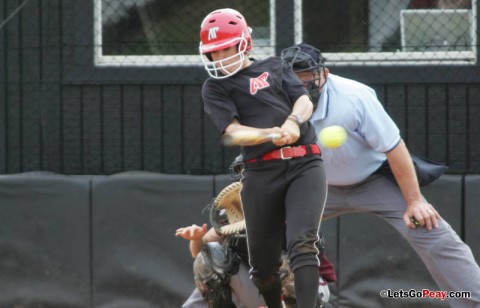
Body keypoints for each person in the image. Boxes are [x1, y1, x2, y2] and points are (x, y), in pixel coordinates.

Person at [280, 43, 480, 307]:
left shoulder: (354, 97)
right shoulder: (272, 101)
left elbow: (394, 148)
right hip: (316, 187)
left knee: (431, 230)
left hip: (374, 181)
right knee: (257, 231)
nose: (301, 88)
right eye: (293, 82)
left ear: (324, 74)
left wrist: (415, 201)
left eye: (307, 79)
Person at [198, 8, 328, 308]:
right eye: (212, 52)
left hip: (304, 164)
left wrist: (293, 122)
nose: (218, 57)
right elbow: (232, 133)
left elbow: (304, 99)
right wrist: (270, 134)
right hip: (259, 172)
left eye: (224, 48)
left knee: (303, 244)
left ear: (244, 43)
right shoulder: (215, 87)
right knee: (264, 270)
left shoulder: (275, 67)